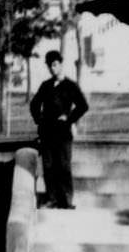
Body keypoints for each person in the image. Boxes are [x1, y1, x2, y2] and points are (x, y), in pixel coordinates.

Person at [29, 50, 89, 209]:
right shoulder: (46, 85)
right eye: (50, 66)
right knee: (48, 166)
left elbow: (83, 106)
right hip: (47, 131)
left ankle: (67, 200)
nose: (52, 68)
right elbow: (34, 104)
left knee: (63, 166)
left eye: (55, 65)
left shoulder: (70, 85)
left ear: (61, 65)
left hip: (63, 132)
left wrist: (69, 119)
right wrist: (39, 120)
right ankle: (52, 198)